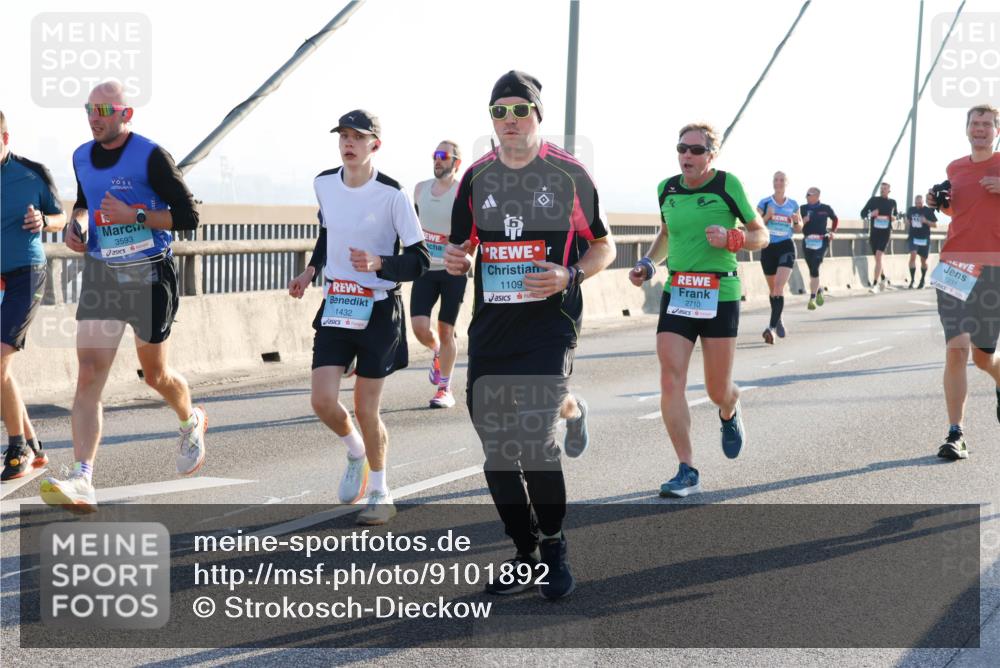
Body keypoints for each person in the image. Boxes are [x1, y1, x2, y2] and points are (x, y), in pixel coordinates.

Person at [445, 71, 615, 600]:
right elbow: (461, 248)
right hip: (493, 331)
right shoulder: (476, 177)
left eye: (520, 110)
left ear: (538, 115)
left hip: (549, 327)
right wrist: (456, 259)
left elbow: (604, 246)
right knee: (498, 452)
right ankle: (525, 552)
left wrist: (570, 274)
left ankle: (555, 544)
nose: (510, 120)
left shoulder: (568, 174)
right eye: (500, 112)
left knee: (535, 443)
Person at [40, 82, 204, 513]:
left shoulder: (151, 156)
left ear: (125, 114)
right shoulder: (81, 156)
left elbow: (189, 216)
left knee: (155, 375)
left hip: (149, 273)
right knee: (89, 373)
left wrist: (136, 215)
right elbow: (84, 201)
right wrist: (77, 225)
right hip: (103, 272)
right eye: (88, 109)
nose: (93, 117)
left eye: (102, 110)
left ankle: (190, 419)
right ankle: (83, 478)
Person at [289, 109, 428, 525]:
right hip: (337, 303)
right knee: (321, 400)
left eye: (357, 137)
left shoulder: (393, 194)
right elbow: (329, 232)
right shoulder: (323, 184)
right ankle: (356, 451)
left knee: (366, 408)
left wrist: (379, 263)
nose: (348, 143)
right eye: (343, 136)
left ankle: (381, 492)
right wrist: (311, 270)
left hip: (379, 307)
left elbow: (419, 260)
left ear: (375, 145)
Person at [629, 122, 767, 498]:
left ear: (711, 155)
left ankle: (729, 409)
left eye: (696, 150)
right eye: (682, 149)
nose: (686, 156)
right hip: (679, 291)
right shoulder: (667, 189)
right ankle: (687, 469)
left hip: (720, 291)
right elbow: (667, 233)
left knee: (717, 389)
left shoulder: (727, 185)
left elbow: (761, 234)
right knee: (670, 378)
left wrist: (733, 238)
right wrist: (648, 264)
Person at [925, 103, 1000, 460]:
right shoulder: (954, 168)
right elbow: (961, 210)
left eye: (987, 124)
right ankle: (956, 433)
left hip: (994, 270)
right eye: (975, 123)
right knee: (956, 348)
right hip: (954, 265)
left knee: (984, 358)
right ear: (967, 129)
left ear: (997, 131)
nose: (980, 128)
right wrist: (940, 203)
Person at [1, 110, 66, 480]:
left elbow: (61, 217)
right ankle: (33, 445)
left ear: (5, 139)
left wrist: (44, 221)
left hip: (26, 274)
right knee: (2, 368)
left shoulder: (33, 173)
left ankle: (17, 449)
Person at [410, 141, 465, 408]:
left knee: (446, 329)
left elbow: (473, 230)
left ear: (456, 162)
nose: (438, 160)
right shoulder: (420, 190)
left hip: (452, 269)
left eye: (443, 156)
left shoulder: (462, 192)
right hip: (426, 269)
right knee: (420, 328)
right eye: (435, 155)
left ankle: (445, 389)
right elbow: (411, 227)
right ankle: (437, 351)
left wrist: (461, 248)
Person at [756, 171, 801, 342]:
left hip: (786, 246)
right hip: (768, 247)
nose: (779, 182)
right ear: (773, 182)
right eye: (776, 180)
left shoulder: (793, 204)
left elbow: (799, 228)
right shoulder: (765, 202)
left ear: (786, 183)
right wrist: (767, 215)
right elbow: (755, 224)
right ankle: (778, 317)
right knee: (772, 289)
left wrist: (796, 220)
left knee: (778, 287)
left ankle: (771, 328)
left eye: (782, 180)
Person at [799, 187, 839, 310]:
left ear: (817, 196)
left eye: (809, 194)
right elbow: (795, 224)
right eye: (806, 194)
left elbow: (835, 219)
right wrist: (802, 221)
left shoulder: (825, 208)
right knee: (812, 270)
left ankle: (812, 299)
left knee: (815, 264)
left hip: (822, 241)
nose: (806, 196)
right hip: (807, 241)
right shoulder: (802, 208)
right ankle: (819, 290)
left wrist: (833, 232)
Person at [860, 182, 898, 293]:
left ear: (889, 190)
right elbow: (862, 213)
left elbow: (896, 216)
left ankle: (875, 284)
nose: (882, 190)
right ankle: (883, 277)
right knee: (878, 259)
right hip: (874, 233)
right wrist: (871, 214)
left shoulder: (892, 202)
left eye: (885, 188)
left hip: (885, 233)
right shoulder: (873, 200)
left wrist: (893, 217)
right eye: (881, 188)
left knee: (878, 256)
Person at [905, 194, 938, 289]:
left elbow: (935, 225)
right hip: (913, 237)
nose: (918, 204)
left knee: (923, 261)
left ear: (923, 202)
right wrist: (908, 222)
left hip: (924, 238)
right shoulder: (911, 210)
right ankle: (912, 280)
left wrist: (926, 221)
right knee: (913, 255)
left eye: (919, 203)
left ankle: (922, 280)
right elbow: (907, 220)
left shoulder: (928, 211)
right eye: (916, 203)